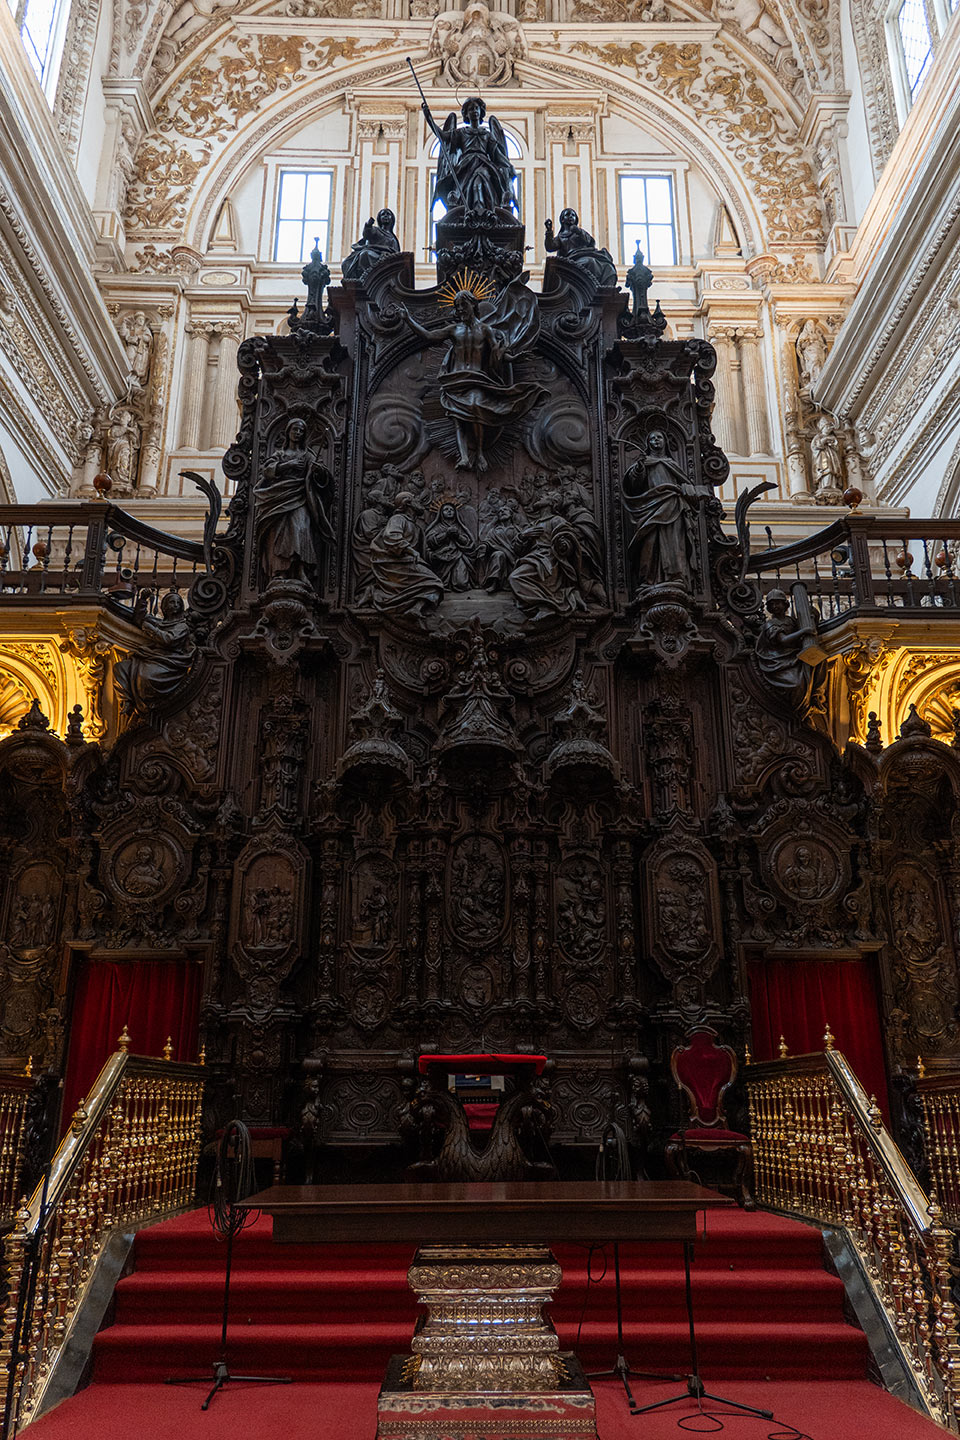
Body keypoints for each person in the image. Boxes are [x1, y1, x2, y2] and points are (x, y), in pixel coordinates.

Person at [398, 285, 544, 472]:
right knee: (458, 419)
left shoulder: (485, 330)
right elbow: (428, 335)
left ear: (472, 305)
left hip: (476, 378)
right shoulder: (454, 329)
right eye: (457, 307)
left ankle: (480, 452)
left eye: (463, 306)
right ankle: (465, 457)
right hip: (454, 380)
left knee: (475, 408)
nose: (460, 310)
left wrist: (514, 358)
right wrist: (408, 319)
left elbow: (497, 353)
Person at [254, 417, 334, 585]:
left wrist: (318, 472)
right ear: (288, 432)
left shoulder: (308, 455)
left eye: (300, 431)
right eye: (294, 430)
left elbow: (320, 478)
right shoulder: (280, 454)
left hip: (300, 498)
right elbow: (267, 471)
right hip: (278, 498)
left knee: (301, 529)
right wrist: (287, 465)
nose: (297, 433)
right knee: (279, 534)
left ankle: (301, 571)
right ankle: (279, 572)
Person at [621, 430, 697, 588]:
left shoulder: (671, 463)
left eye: (659, 437)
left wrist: (683, 490)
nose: (656, 441)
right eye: (652, 438)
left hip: (673, 505)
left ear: (665, 441)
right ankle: (648, 579)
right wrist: (639, 469)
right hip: (650, 507)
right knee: (650, 541)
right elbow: (634, 486)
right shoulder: (644, 463)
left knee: (674, 542)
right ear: (648, 443)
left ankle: (676, 576)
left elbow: (686, 484)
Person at [427, 96, 517, 213]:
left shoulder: (487, 134)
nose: (474, 111)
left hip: (484, 164)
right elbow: (443, 137)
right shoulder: (461, 133)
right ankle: (472, 211)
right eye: (471, 109)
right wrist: (429, 119)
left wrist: (508, 166)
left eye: (476, 108)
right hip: (466, 166)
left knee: (481, 178)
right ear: (466, 114)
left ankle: (483, 210)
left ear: (481, 111)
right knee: (468, 182)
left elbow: (497, 155)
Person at [115, 590, 197, 715]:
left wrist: (151, 629)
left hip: (169, 661)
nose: (175, 605)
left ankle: (147, 704)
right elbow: (139, 619)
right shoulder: (161, 623)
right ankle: (126, 700)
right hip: (151, 657)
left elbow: (169, 640)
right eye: (171, 602)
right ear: (164, 607)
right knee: (120, 667)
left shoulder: (182, 627)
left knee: (146, 677)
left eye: (177, 602)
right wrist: (143, 599)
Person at [369, 492, 444, 617]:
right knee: (434, 583)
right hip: (396, 563)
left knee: (434, 583)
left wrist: (438, 556)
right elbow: (391, 536)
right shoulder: (398, 519)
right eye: (416, 499)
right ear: (407, 503)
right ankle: (378, 594)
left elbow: (424, 551)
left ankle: (415, 608)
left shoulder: (417, 527)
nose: (420, 502)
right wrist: (410, 550)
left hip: (409, 562)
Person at [544, 209, 617, 288]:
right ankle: (593, 287)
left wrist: (579, 232)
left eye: (573, 215)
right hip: (572, 259)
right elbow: (550, 247)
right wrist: (549, 231)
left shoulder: (579, 232)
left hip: (586, 254)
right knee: (590, 262)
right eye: (568, 215)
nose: (571, 217)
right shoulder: (560, 237)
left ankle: (606, 290)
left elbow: (591, 242)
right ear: (562, 219)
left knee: (608, 267)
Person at [341, 209, 400, 282]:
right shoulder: (375, 230)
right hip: (374, 254)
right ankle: (367, 276)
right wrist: (368, 225)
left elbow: (395, 252)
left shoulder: (393, 237)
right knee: (365, 254)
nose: (385, 216)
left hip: (386, 258)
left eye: (388, 214)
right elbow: (367, 235)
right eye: (383, 214)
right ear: (379, 219)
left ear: (392, 218)